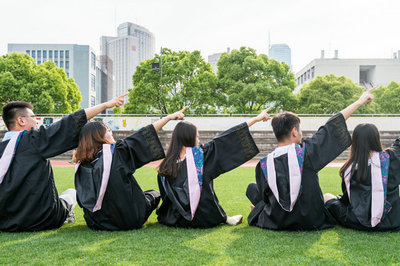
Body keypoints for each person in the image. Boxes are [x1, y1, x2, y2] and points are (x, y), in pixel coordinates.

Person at [246, 89, 375, 230]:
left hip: (278, 219)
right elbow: (331, 126)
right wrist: (359, 101)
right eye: (299, 130)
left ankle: (257, 211)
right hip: (311, 218)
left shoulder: (264, 164)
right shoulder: (306, 151)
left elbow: (265, 198)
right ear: (294, 131)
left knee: (252, 188)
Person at [0, 94, 127, 232]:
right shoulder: (34, 140)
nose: (37, 122)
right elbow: (69, 124)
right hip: (40, 219)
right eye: (33, 117)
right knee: (72, 193)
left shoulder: (3, 149)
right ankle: (67, 214)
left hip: (5, 222)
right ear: (21, 120)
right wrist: (104, 105)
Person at [74, 107, 187, 231]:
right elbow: (144, 134)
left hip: (97, 222)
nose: (111, 133)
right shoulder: (117, 152)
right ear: (98, 136)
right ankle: (146, 215)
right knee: (154, 194)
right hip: (130, 219)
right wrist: (168, 117)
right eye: (108, 130)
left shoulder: (81, 165)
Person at [156, 109, 271, 228]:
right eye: (197, 136)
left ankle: (224, 217)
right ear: (189, 138)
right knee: (203, 180)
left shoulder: (165, 166)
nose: (198, 140)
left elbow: (166, 198)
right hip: (203, 218)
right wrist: (256, 119)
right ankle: (224, 217)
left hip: (174, 219)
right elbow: (227, 137)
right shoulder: (200, 157)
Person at [324, 124, 400, 231]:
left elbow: (347, 200)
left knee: (327, 196)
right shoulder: (392, 158)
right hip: (392, 220)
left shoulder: (348, 169)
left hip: (356, 221)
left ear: (355, 142)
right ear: (376, 139)